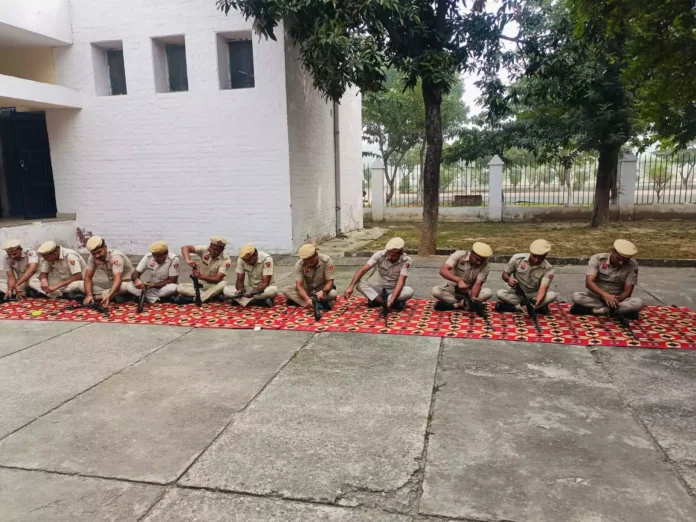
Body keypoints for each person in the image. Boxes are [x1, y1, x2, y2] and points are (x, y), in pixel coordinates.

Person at [571, 239, 644, 319]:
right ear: (613, 251)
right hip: (597, 296)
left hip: (617, 300)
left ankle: (597, 311)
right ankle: (617, 312)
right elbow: (589, 283)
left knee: (638, 303)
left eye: (625, 261)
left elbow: (627, 292)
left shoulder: (632, 265)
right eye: (619, 259)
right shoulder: (597, 259)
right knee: (576, 297)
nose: (621, 263)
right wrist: (605, 295)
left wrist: (615, 299)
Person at [344, 237, 413, 311]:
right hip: (380, 287)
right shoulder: (379, 254)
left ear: (400, 253)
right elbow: (363, 270)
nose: (389, 257)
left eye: (393, 256)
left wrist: (392, 299)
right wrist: (351, 286)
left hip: (394, 288)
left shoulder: (406, 260)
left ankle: (382, 301)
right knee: (359, 284)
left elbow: (400, 282)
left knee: (409, 292)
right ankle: (386, 302)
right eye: (388, 254)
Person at [496, 239, 558, 314]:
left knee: (552, 295)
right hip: (518, 293)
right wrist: (508, 279)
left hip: (534, 294)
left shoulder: (549, 269)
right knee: (500, 293)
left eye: (540, 258)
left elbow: (542, 290)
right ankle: (537, 307)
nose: (536, 260)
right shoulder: (517, 258)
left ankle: (517, 308)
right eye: (534, 256)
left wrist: (534, 303)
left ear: (546, 255)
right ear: (530, 252)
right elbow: (504, 275)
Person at [432, 242, 493, 311]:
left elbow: (478, 284)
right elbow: (443, 271)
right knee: (435, 291)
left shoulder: (486, 266)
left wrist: (473, 297)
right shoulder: (459, 255)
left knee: (487, 293)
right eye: (477, 259)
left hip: (469, 291)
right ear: (471, 252)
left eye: (482, 261)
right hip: (452, 289)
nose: (479, 263)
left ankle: (454, 305)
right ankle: (467, 305)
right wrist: (459, 280)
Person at [175, 236, 231, 304]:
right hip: (201, 283)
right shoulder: (205, 249)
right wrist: (188, 260)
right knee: (180, 287)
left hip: (214, 284)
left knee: (223, 284)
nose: (212, 251)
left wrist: (201, 276)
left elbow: (217, 279)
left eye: (216, 250)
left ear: (222, 249)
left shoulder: (226, 260)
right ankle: (211, 296)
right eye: (211, 248)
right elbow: (185, 248)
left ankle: (194, 299)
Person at [83, 236, 135, 306]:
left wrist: (109, 296)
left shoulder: (116, 256)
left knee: (126, 287)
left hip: (125, 284)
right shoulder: (93, 257)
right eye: (93, 253)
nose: (96, 256)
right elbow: (87, 277)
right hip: (112, 286)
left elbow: (118, 280)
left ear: (105, 247)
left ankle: (98, 297)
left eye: (99, 252)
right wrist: (89, 294)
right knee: (80, 285)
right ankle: (114, 296)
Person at [282, 244, 336, 309]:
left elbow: (329, 282)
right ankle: (314, 304)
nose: (309, 264)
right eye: (306, 262)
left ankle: (299, 301)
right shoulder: (299, 264)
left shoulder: (327, 261)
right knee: (286, 290)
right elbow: (299, 285)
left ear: (316, 255)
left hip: (321, 290)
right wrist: (306, 298)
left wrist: (323, 291)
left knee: (333, 294)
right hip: (307, 290)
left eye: (311, 261)